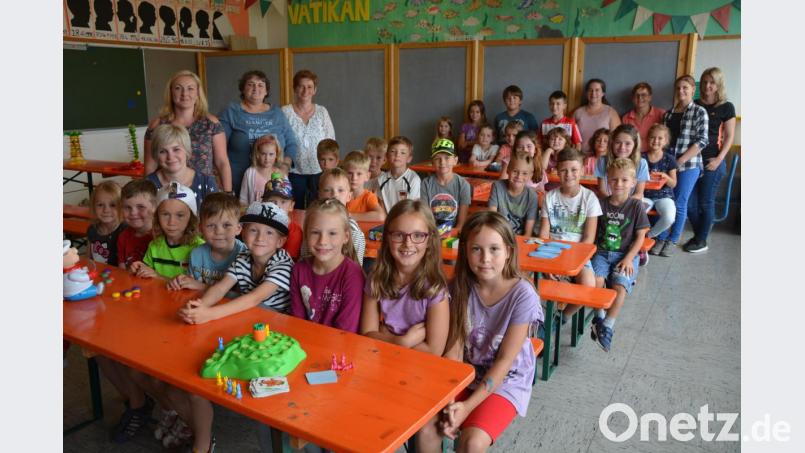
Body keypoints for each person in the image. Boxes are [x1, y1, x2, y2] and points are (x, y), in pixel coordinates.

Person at [417, 211, 543, 452]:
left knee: (472, 442)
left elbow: (505, 361)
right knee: (427, 430)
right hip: (465, 373)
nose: (485, 258)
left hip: (506, 380)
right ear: (465, 250)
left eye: (494, 249)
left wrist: (466, 408)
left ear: (508, 251)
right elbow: (453, 350)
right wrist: (450, 400)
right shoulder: (459, 287)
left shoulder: (523, 294)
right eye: (476, 249)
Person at [178, 200, 293, 321]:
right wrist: (200, 306)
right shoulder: (243, 257)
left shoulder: (283, 264)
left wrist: (210, 314)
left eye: (269, 233)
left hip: (276, 321)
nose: (260, 238)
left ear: (280, 241)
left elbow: (254, 298)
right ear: (244, 234)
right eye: (254, 230)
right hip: (249, 314)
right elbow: (220, 288)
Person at [361, 199, 449, 354]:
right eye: (399, 235)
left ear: (429, 240)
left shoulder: (435, 288)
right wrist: (401, 342)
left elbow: (434, 351)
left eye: (417, 235)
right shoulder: (377, 278)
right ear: (387, 238)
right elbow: (367, 334)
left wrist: (385, 337)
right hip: (382, 360)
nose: (407, 244)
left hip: (419, 368)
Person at [591, 158, 650, 352]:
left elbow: (641, 236)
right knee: (596, 281)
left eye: (624, 180)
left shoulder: (636, 206)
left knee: (619, 287)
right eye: (614, 180)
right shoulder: (601, 204)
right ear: (608, 179)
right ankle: (598, 317)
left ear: (633, 182)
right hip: (601, 252)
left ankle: (608, 325)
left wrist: (628, 258)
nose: (619, 184)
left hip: (625, 254)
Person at [144, 70, 231, 192]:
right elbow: (150, 165)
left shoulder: (211, 123)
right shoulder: (157, 125)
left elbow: (222, 162)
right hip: (167, 191)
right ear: (171, 93)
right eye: (178, 88)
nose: (184, 93)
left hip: (205, 190)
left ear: (197, 94)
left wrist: (228, 195)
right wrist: (148, 194)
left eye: (190, 88)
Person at [219, 70, 299, 198]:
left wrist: (285, 166)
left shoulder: (277, 113)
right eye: (250, 84)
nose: (256, 88)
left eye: (261, 85)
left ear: (266, 91)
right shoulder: (231, 112)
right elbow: (218, 147)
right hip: (238, 182)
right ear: (243, 89)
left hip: (274, 182)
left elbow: (291, 144)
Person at [290, 198, 364, 332]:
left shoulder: (353, 276)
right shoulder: (298, 271)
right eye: (315, 232)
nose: (323, 241)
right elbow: (297, 323)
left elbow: (345, 332)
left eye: (332, 233)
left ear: (346, 237)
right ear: (306, 234)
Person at [686, 67, 736, 253]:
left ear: (718, 85)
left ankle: (701, 239)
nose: (708, 86)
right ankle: (701, 235)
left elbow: (729, 136)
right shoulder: (694, 104)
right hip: (692, 162)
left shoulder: (726, 107)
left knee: (705, 202)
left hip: (712, 161)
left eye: (712, 82)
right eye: (705, 81)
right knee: (690, 204)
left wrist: (718, 159)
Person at [659, 75, 709, 256]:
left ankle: (672, 240)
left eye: (685, 88)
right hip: (669, 165)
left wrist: (680, 161)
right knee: (666, 200)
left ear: (692, 90)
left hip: (689, 165)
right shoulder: (668, 114)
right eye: (678, 88)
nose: (681, 91)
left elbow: (702, 140)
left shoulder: (699, 111)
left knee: (680, 202)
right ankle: (662, 236)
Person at [168, 192, 246, 291]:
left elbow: (242, 298)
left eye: (226, 225)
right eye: (211, 226)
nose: (219, 232)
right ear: (201, 229)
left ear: (238, 228)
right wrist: (179, 282)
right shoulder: (196, 254)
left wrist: (201, 287)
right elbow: (189, 285)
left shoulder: (245, 256)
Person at [282, 70, 336, 209]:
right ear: (294, 89)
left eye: (309, 87)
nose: (305, 90)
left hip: (320, 171)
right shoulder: (285, 112)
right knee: (295, 208)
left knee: (319, 208)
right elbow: (279, 142)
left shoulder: (322, 112)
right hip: (293, 172)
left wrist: (330, 167)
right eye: (301, 86)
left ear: (315, 90)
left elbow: (331, 141)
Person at [129, 182, 204, 280]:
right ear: (157, 217)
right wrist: (138, 270)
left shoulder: (200, 248)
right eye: (165, 214)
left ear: (191, 218)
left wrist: (158, 277)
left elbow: (195, 286)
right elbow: (147, 277)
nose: (171, 222)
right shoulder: (155, 246)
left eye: (180, 215)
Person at [146, 123, 218, 210]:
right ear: (156, 155)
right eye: (163, 151)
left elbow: (215, 219)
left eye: (176, 149)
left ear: (187, 150)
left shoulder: (206, 183)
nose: (170, 157)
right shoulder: (147, 185)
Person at [309, 168, 366, 265]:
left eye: (340, 190)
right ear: (319, 195)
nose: (334, 195)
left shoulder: (354, 232)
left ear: (349, 196)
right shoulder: (312, 223)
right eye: (327, 190)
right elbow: (305, 255)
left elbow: (357, 267)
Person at [420, 138, 471, 232]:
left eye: (447, 158)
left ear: (455, 160)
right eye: (437, 158)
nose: (442, 162)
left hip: (454, 234)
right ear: (432, 162)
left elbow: (461, 224)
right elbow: (425, 218)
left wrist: (450, 235)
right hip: (432, 232)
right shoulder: (426, 184)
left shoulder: (463, 185)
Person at [643, 124, 678, 256]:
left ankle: (648, 236)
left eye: (660, 138)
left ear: (666, 141)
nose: (656, 141)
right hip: (644, 194)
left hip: (664, 196)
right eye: (652, 137)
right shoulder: (641, 158)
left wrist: (665, 176)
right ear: (647, 139)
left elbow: (673, 183)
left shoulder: (669, 159)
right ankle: (633, 238)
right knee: (635, 211)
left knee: (669, 217)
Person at [488, 152, 539, 237]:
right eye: (515, 171)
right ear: (508, 170)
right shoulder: (497, 187)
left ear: (530, 175)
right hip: (499, 235)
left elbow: (528, 232)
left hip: (520, 238)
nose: (519, 176)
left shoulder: (532, 196)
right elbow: (491, 218)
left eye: (524, 173)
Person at [368, 135, 421, 213]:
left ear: (409, 158)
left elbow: (413, 208)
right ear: (387, 156)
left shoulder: (413, 179)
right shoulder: (381, 179)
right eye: (393, 151)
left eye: (402, 152)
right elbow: (381, 207)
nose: (397, 155)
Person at [595, 124, 649, 200]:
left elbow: (639, 194)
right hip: (608, 202)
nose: (622, 147)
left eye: (627, 144)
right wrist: (613, 204)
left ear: (635, 145)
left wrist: (622, 205)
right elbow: (602, 190)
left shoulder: (641, 164)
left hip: (631, 204)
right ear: (612, 143)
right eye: (618, 142)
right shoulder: (603, 161)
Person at [117, 179, 158, 269]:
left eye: (140, 207)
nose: (133, 213)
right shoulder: (123, 237)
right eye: (127, 207)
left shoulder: (160, 237)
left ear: (154, 207)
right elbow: (121, 268)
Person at [574, 79, 621, 154]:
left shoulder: (611, 112)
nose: (593, 93)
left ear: (603, 93)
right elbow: (569, 136)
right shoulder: (577, 112)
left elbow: (617, 137)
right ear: (586, 93)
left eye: (597, 90)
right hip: (580, 156)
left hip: (602, 157)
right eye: (590, 90)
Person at [262, 175, 303, 261]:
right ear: (263, 204)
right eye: (272, 201)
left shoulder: (294, 232)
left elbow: (288, 261)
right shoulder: (260, 225)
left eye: (283, 202)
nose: (277, 206)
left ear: (291, 206)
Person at [87, 180, 125, 266]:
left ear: (121, 206)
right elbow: (88, 258)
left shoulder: (125, 230)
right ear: (93, 206)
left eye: (112, 205)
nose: (106, 210)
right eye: (100, 205)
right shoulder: (92, 229)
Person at [239, 134, 284, 205]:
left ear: (277, 155)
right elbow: (243, 199)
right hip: (253, 214)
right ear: (257, 154)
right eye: (263, 154)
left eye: (271, 154)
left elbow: (285, 199)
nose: (267, 158)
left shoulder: (281, 174)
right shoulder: (250, 173)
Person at [621, 82, 666, 153]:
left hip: (654, 155)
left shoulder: (661, 114)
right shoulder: (626, 118)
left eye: (643, 95)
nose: (640, 98)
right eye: (637, 95)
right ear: (632, 98)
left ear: (650, 97)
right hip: (634, 155)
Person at [343, 151, 386, 221]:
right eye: (350, 173)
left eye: (359, 174)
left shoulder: (368, 196)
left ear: (367, 176)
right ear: (344, 174)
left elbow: (381, 216)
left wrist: (349, 216)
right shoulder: (340, 194)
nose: (354, 178)